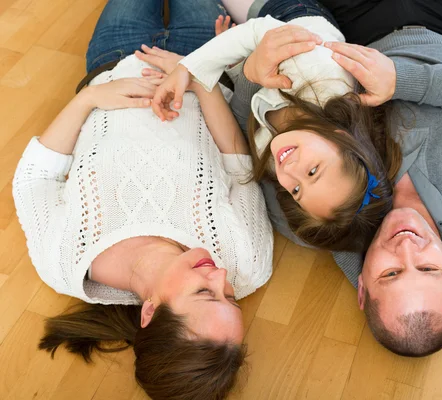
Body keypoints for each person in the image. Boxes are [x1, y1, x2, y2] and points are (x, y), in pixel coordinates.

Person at [224, 0, 442, 357]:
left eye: (391, 274)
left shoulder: (313, 221)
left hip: (345, 31)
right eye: (428, 267)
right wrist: (402, 81)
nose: (407, 246)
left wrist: (250, 74)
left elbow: (250, 140)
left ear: (362, 288)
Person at [12, 1, 273, 399]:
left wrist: (91, 99)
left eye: (204, 293)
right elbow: (240, 168)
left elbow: (35, 179)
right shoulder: (249, 262)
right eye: (230, 298)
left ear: (150, 312)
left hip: (115, 60)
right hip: (203, 61)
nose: (220, 277)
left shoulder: (63, 261)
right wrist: (197, 74)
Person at [151, 0, 403, 252]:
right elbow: (259, 32)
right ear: (340, 137)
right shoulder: (322, 72)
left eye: (296, 190)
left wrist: (239, 64)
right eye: (313, 171)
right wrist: (189, 68)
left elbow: (250, 94)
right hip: (289, 16)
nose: (290, 171)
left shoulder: (275, 158)